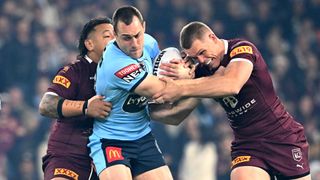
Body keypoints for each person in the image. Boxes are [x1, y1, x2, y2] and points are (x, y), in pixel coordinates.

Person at [153, 21, 311, 180]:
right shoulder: (202, 72)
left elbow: (231, 84)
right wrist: (139, 108)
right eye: (195, 57)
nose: (201, 60)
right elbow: (175, 115)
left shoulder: (242, 49)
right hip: (247, 145)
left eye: (202, 52)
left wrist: (180, 86)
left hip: (281, 137)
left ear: (212, 37)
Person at [88, 6, 195, 180]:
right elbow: (162, 89)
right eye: (127, 38)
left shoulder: (150, 43)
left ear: (144, 27)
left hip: (143, 137)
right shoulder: (115, 64)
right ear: (114, 35)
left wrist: (179, 68)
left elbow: (162, 71)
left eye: (137, 35)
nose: (135, 44)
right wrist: (186, 75)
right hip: (111, 141)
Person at [39, 17, 114, 180]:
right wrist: (86, 107)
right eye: (108, 36)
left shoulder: (125, 74)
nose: (114, 40)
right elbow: (46, 105)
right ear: (90, 44)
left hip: (109, 157)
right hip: (69, 155)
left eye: (117, 36)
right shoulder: (74, 71)